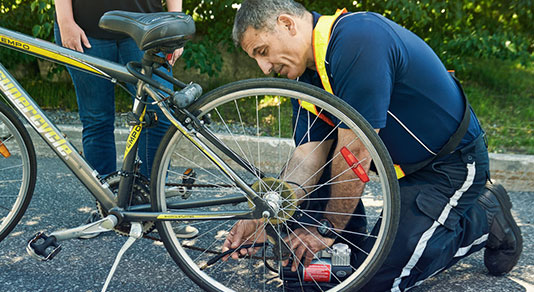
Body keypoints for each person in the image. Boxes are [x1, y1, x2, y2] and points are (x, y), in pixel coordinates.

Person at [222, 0, 523, 290]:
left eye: (263, 52)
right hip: (400, 172)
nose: (264, 68)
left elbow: (357, 152)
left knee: (371, 281)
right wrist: (266, 214)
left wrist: (326, 229)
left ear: (286, 24)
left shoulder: (358, 41)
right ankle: (348, 250)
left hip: (448, 166)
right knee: (320, 272)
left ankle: (483, 216)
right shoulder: (306, 75)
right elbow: (308, 157)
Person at [54, 0, 198, 239]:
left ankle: (157, 208)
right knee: (96, 120)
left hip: (148, 27)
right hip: (85, 29)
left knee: (159, 117)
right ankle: (106, 208)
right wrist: (65, 20)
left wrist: (175, 21)